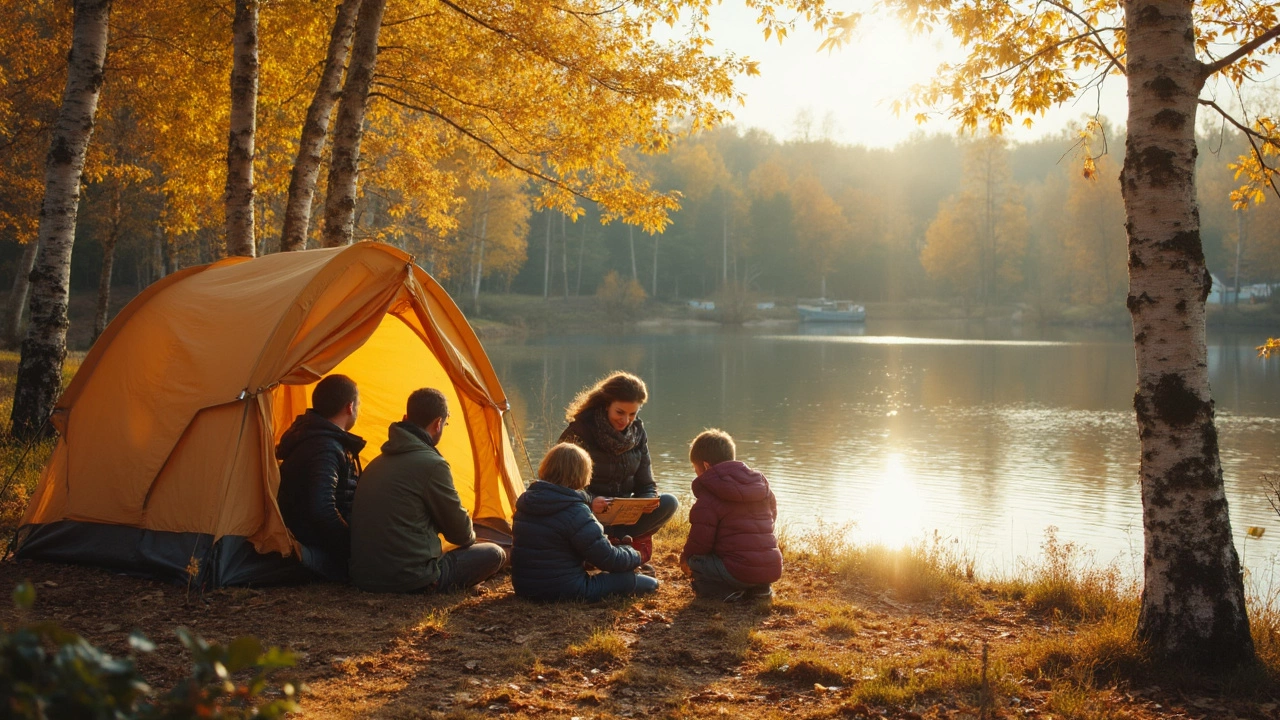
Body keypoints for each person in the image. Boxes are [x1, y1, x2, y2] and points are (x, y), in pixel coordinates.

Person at [348, 388, 506, 593]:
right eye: (445, 424)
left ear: (406, 418)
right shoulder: (433, 465)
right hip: (412, 580)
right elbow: (462, 535)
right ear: (438, 423)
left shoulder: (376, 463)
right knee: (495, 553)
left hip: (364, 577)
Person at [559, 372, 678, 572]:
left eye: (632, 414)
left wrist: (647, 500)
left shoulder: (638, 432)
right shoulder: (579, 431)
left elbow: (646, 483)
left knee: (669, 502)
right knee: (576, 512)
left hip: (624, 516)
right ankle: (612, 548)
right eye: (620, 412)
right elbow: (560, 487)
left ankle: (617, 545)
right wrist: (590, 501)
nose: (626, 420)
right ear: (606, 404)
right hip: (587, 514)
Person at [511, 443, 660, 602]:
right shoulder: (575, 510)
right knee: (650, 584)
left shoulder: (526, 503)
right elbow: (608, 559)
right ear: (582, 474)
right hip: (565, 590)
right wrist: (633, 554)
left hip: (524, 587)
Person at [276, 374, 365, 580]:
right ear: (350, 407)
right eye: (359, 405)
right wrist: (354, 548)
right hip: (317, 549)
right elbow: (322, 509)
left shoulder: (312, 437)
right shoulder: (325, 447)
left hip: (310, 540)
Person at [679, 429, 782, 601]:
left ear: (705, 466)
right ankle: (761, 588)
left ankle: (726, 591)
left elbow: (700, 543)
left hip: (737, 570)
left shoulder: (709, 495)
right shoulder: (761, 486)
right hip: (771, 567)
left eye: (695, 468)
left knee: (695, 560)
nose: (696, 474)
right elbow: (771, 520)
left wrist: (685, 558)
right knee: (743, 559)